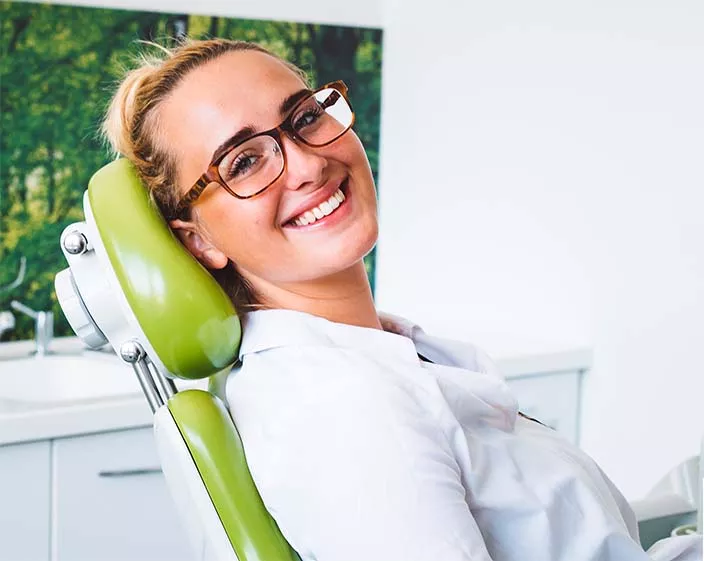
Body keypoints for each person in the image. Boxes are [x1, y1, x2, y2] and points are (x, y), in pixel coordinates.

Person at [102, 38, 701, 561]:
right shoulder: (341, 408)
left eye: (306, 118)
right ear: (199, 241)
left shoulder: (376, 355)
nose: (308, 164)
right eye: (245, 161)